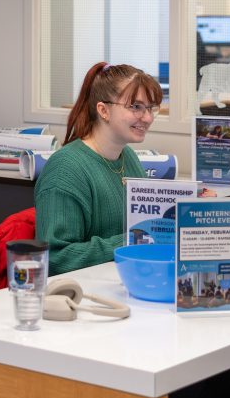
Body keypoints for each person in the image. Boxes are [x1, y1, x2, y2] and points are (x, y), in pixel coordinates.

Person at [34, 62, 162, 276]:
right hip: (82, 293)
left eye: (150, 108)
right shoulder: (66, 170)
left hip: (122, 279)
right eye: (136, 107)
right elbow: (55, 258)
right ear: (103, 110)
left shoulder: (127, 156)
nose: (147, 118)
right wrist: (133, 240)